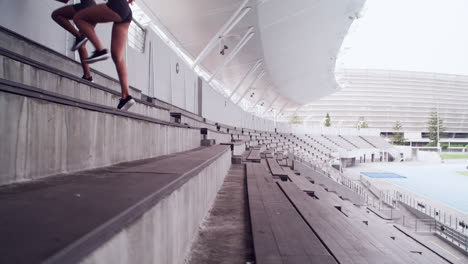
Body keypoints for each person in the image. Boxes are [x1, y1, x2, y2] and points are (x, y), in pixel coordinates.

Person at [74, 0, 135, 110]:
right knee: (117, 56)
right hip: (126, 12)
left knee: (79, 18)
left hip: (116, 5)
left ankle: (99, 49)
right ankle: (126, 96)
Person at [51, 0, 96, 82]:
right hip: (95, 11)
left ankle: (79, 36)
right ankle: (87, 76)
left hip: (86, 6)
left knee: (56, 15)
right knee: (81, 45)